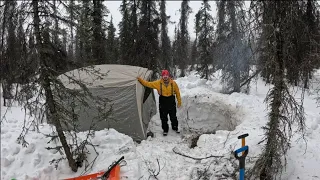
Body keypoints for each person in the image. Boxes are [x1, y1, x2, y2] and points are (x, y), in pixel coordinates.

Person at [137, 70, 182, 136]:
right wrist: (140, 80)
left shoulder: (173, 83)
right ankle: (165, 130)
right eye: (164, 76)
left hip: (171, 101)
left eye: (166, 76)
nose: (165, 77)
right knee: (163, 117)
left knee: (173, 116)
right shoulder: (158, 83)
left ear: (168, 76)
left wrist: (179, 102)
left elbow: (177, 93)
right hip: (163, 101)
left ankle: (175, 127)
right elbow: (148, 84)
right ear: (162, 76)